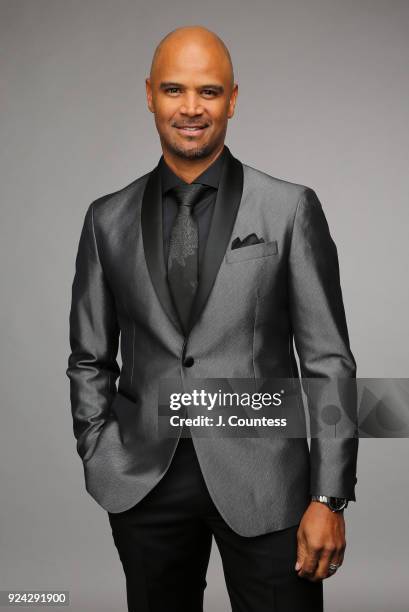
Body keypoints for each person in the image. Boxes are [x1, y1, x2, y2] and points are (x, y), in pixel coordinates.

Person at [66, 24, 358, 612]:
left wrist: (329, 497)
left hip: (270, 485)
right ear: (149, 94)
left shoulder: (288, 209)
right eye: (175, 90)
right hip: (144, 481)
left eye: (209, 91)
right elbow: (89, 358)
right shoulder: (107, 219)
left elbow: (327, 360)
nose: (192, 108)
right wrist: (99, 448)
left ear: (233, 98)